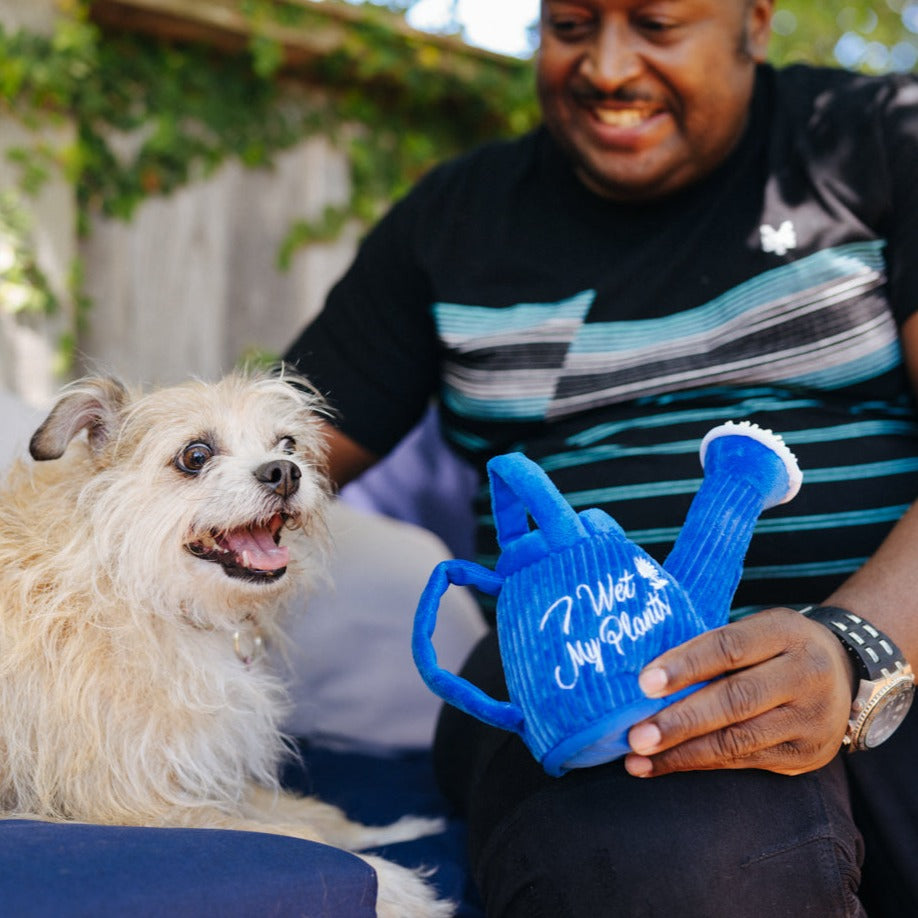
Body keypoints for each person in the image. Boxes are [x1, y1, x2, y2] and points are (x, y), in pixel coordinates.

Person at [285, 1, 918, 913]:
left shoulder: (870, 143)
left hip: (896, 639)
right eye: (573, 24)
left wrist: (857, 646)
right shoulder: (455, 221)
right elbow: (267, 455)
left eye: (657, 24)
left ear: (755, 23)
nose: (608, 68)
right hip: (577, 658)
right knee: (676, 866)